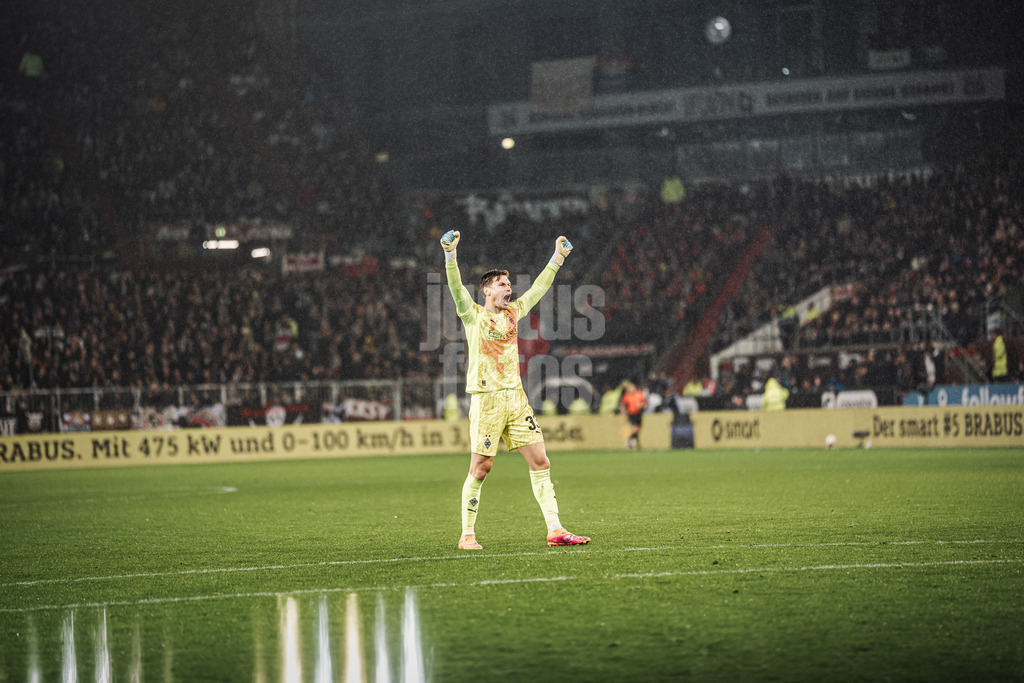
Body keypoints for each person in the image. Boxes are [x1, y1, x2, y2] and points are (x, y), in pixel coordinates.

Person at [439, 230, 590, 550]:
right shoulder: (472, 314)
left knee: (541, 461)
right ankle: (467, 535)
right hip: (487, 399)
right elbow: (455, 289)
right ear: (487, 292)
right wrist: (450, 255)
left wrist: (557, 259)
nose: (509, 288)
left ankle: (555, 529)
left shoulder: (513, 313)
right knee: (481, 468)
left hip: (516, 399)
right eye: (502, 284)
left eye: (509, 284)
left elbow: (539, 289)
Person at [620, 381, 647, 449]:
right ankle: (630, 441)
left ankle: (636, 444)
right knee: (636, 429)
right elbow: (622, 405)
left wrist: (641, 405)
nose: (631, 389)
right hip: (632, 414)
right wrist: (624, 414)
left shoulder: (639, 394)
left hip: (639, 414)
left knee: (638, 430)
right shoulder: (627, 396)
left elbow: (645, 403)